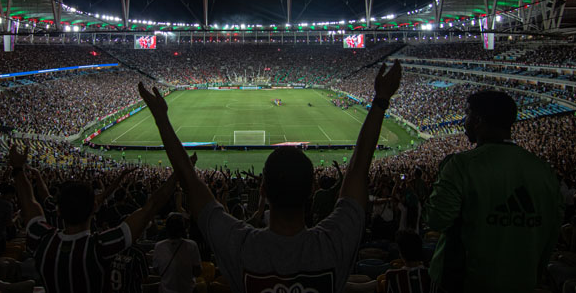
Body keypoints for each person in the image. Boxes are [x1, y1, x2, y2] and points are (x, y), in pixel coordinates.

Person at [138, 60, 402, 292]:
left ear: (262, 189)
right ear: (312, 191)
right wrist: (380, 101)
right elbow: (358, 171)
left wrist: (161, 118)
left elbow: (189, 179)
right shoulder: (333, 243)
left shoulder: (240, 245)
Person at [424, 90, 564, 293]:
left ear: (478, 120)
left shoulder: (461, 165)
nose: (465, 121)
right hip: (522, 282)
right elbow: (552, 230)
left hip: (462, 281)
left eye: (467, 114)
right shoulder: (544, 171)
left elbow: (436, 219)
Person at [7, 144, 178, 293]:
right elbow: (151, 207)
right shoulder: (101, 246)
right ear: (94, 208)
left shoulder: (41, 239)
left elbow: (29, 202)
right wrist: (179, 172)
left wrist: (18, 169)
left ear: (57, 210)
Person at [153, 213, 202, 293]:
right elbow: (197, 272)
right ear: (183, 229)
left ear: (167, 229)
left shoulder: (159, 246)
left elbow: (156, 269)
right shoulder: (192, 245)